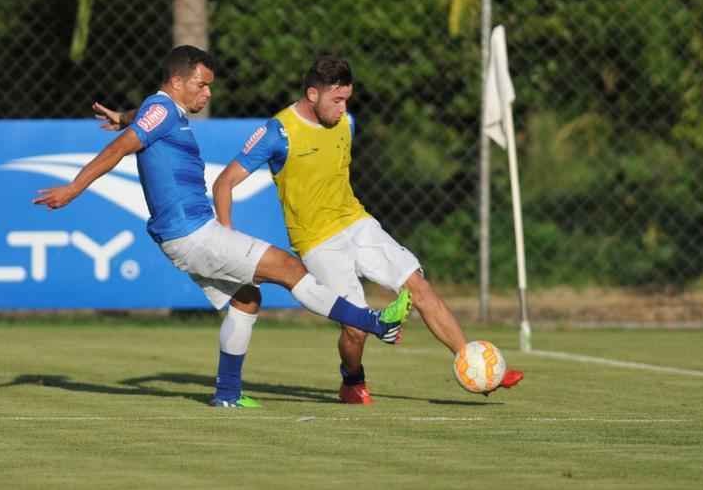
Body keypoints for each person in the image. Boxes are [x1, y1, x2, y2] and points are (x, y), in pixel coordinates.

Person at [35, 45, 411, 408]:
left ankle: (227, 393)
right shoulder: (161, 109)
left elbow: (144, 117)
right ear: (177, 82)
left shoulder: (162, 110)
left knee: (247, 298)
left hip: (184, 234)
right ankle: (375, 323)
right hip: (192, 231)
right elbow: (119, 148)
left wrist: (123, 116)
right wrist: (73, 188)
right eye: (201, 84)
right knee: (288, 267)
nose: (208, 93)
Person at [210, 54, 524, 404]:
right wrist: (227, 238)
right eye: (337, 100)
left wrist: (479, 369)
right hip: (318, 242)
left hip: (357, 223)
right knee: (355, 329)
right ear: (312, 94)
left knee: (418, 286)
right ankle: (352, 378)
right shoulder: (278, 132)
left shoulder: (344, 124)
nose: (343, 108)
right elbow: (224, 183)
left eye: (347, 99)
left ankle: (474, 364)